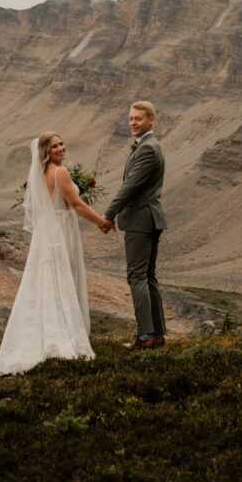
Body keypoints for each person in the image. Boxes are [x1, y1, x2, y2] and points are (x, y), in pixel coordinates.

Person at [0, 131, 112, 375]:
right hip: (60, 231)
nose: (61, 148)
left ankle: (43, 332)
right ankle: (62, 335)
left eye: (62, 144)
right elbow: (76, 204)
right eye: (54, 147)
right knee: (61, 279)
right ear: (45, 152)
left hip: (46, 231)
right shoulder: (60, 172)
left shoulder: (41, 173)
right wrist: (101, 222)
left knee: (46, 281)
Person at [100, 100, 167, 349]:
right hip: (149, 218)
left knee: (136, 276)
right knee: (148, 277)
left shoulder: (148, 148)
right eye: (130, 118)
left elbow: (130, 186)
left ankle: (145, 336)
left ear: (151, 120)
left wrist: (108, 215)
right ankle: (157, 335)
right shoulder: (147, 146)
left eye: (138, 118)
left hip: (142, 219)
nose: (133, 123)